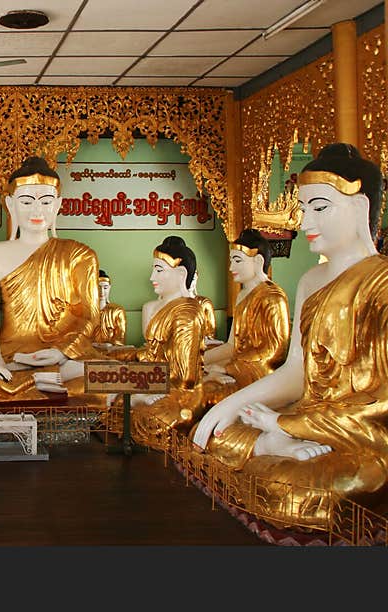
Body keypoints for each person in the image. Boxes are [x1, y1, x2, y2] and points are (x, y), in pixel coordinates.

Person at [193, 143, 388, 526]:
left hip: (358, 436)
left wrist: (285, 425)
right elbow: (296, 371)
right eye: (303, 210)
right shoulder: (311, 280)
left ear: (362, 207)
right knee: (218, 433)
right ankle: (272, 445)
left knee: (296, 490)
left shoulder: (382, 284)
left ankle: (275, 444)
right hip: (306, 417)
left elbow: (380, 402)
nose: (305, 223)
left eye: (320, 208)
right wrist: (226, 408)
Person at [0, 156, 103, 397]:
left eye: (46, 201)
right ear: (10, 205)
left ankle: (39, 382)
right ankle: (41, 384)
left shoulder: (79, 255)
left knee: (109, 375)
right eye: (27, 201)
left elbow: (89, 316)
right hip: (10, 355)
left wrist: (63, 350)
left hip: (63, 356)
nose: (37, 210)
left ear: (58, 205)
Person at [108, 236, 206, 446]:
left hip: (178, 391)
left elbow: (184, 377)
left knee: (151, 418)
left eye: (159, 270)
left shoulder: (187, 312)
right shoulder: (161, 306)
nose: (152, 276)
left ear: (181, 274)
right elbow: (150, 352)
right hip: (153, 375)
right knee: (113, 392)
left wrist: (139, 383)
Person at [202, 229, 289, 403]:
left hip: (258, 371)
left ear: (258, 261)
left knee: (207, 392)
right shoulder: (242, 295)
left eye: (237, 260)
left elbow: (275, 352)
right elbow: (232, 346)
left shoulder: (273, 297)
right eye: (231, 260)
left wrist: (228, 368)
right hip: (238, 362)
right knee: (196, 376)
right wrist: (198, 361)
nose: (231, 268)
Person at [93, 269, 127, 346]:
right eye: (98, 288)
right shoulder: (85, 312)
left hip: (111, 351)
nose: (102, 292)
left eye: (105, 288)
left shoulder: (117, 311)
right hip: (91, 351)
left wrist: (110, 345)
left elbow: (120, 339)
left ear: (109, 288)